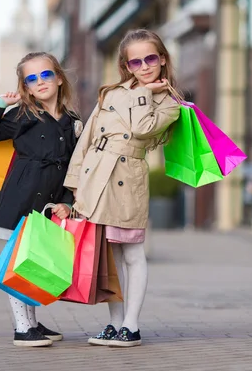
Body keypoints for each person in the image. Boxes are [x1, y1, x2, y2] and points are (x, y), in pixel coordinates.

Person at [63, 29, 181, 347]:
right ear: (126, 65)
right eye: (135, 62)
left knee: (131, 252)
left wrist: (144, 93)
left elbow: (142, 130)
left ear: (163, 59)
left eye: (151, 58)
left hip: (127, 179)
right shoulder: (110, 94)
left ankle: (132, 325)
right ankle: (115, 323)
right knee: (109, 256)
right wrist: (74, 181)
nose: (144, 66)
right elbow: (86, 139)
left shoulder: (170, 103)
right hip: (94, 177)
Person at [0, 52, 83, 347]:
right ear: (26, 86)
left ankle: (32, 323)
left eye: (46, 75)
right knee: (17, 263)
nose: (40, 82)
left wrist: (67, 201)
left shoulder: (72, 122)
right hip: (21, 198)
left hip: (49, 202)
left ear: (59, 78)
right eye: (31, 78)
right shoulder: (23, 115)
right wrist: (0, 104)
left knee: (32, 262)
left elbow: (75, 167)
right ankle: (22, 327)